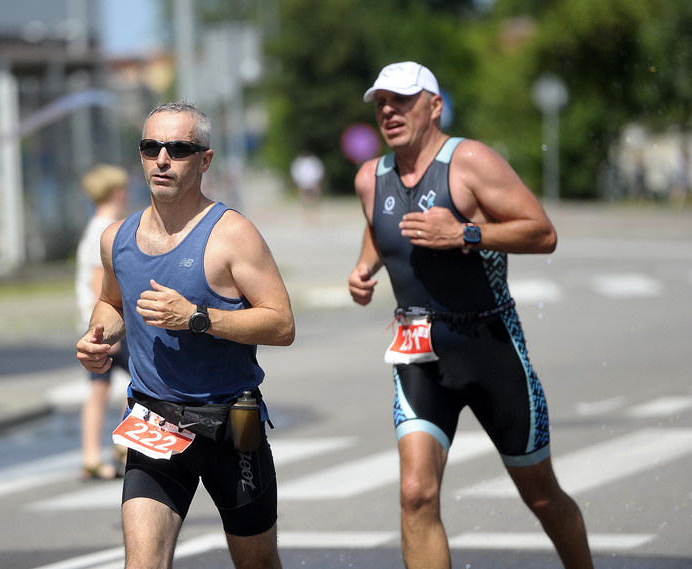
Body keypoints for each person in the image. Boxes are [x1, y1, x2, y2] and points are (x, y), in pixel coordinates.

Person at [347, 62, 593, 569]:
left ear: (434, 105)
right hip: (417, 352)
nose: (389, 111)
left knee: (541, 495)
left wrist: (465, 233)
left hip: (489, 345)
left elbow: (541, 232)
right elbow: (380, 225)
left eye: (402, 100)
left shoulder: (470, 161)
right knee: (416, 493)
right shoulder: (370, 177)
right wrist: (364, 266)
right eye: (381, 103)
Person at [76, 100, 295, 569]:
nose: (162, 159)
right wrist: (97, 336)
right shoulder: (116, 238)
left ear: (204, 160)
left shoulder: (232, 234)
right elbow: (112, 303)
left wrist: (198, 317)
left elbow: (281, 323)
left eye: (178, 148)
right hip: (155, 422)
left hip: (228, 428)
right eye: (151, 146)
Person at [75, 164, 132, 480]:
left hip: (91, 324)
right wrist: (110, 333)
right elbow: (102, 281)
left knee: (99, 388)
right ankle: (123, 445)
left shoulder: (94, 226)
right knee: (146, 379)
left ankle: (92, 455)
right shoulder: (105, 229)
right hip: (104, 327)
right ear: (118, 192)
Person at [290, 151, 325, 224]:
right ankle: (305, 216)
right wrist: (300, 183)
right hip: (303, 183)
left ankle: (314, 215)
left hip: (313, 183)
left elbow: (318, 171)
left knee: (314, 200)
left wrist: (316, 181)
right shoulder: (299, 162)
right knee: (304, 201)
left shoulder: (313, 161)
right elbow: (296, 173)